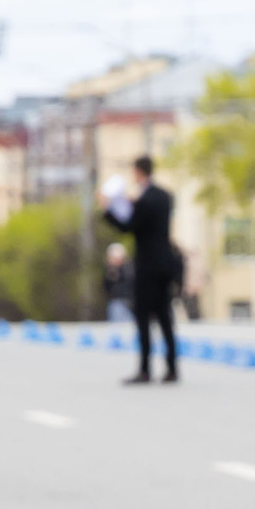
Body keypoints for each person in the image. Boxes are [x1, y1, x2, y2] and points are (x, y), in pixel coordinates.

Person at [103, 155, 179, 384]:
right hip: (165, 265)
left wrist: (108, 211)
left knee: (144, 318)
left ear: (138, 172)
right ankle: (172, 368)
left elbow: (129, 227)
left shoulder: (145, 200)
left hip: (147, 267)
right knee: (165, 318)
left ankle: (145, 369)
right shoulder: (164, 196)